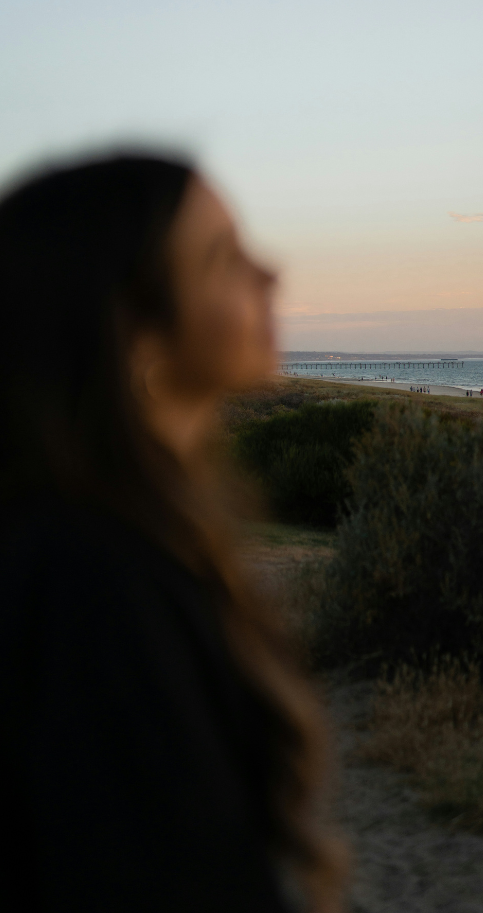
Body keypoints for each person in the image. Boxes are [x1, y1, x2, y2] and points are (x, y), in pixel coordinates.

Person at [0, 153, 346, 913]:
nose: (271, 273)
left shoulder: (127, 540)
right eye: (224, 258)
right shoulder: (89, 583)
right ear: (133, 329)